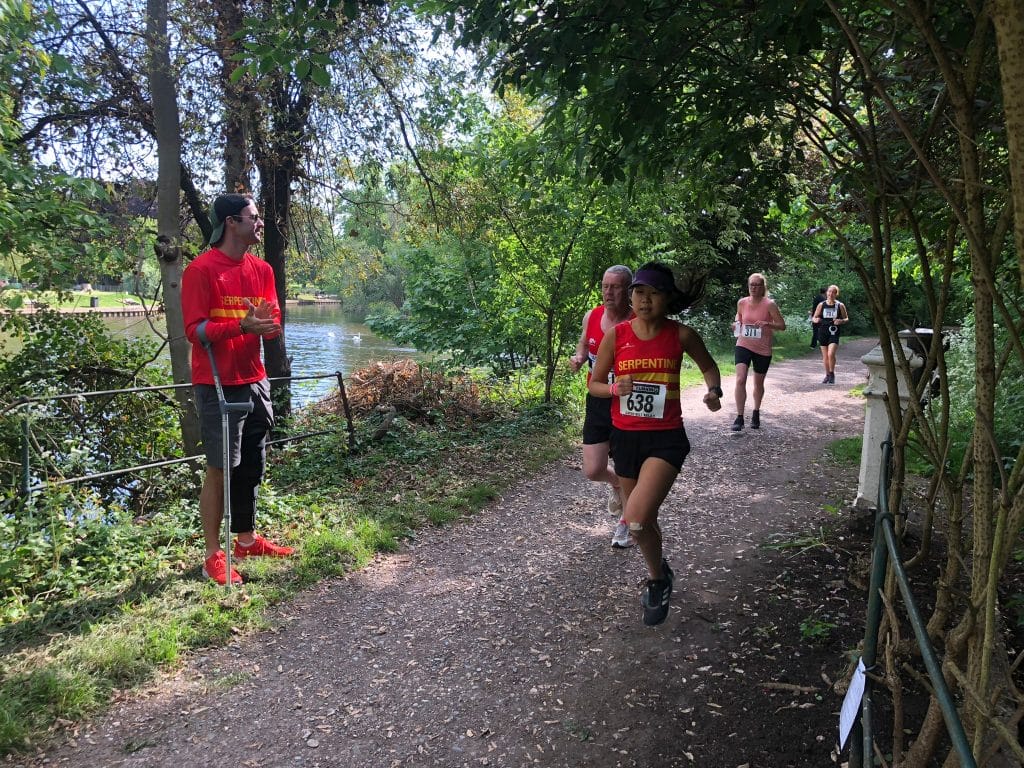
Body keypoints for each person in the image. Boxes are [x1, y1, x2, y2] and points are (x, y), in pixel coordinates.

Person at [589, 262, 722, 626]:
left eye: (654, 294)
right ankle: (661, 573)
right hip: (625, 438)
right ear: (631, 297)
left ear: (667, 299)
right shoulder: (617, 335)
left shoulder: (682, 335)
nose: (645, 300)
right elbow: (594, 384)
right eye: (639, 293)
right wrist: (614, 388)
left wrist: (714, 391)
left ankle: (656, 581)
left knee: (635, 520)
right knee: (644, 522)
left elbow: (709, 367)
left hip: (666, 439)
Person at [182, 193, 294, 585]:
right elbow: (194, 330)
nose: (260, 223)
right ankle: (213, 555)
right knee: (219, 468)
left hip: (255, 380)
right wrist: (241, 326)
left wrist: (266, 325)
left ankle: (245, 540)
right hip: (217, 384)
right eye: (253, 217)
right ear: (231, 222)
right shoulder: (201, 270)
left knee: (251, 464)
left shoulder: (262, 270)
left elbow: (272, 323)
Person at [569, 265, 635, 548]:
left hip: (628, 402)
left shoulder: (637, 320)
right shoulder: (592, 315)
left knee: (628, 467)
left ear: (628, 290)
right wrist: (579, 358)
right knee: (593, 469)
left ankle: (626, 525)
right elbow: (584, 344)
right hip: (598, 398)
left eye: (616, 287)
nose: (609, 292)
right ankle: (616, 484)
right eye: (605, 286)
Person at [731, 272, 786, 431]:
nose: (754, 288)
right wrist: (736, 324)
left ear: (763, 287)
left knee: (758, 383)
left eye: (757, 285)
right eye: (751, 285)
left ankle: (756, 412)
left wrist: (768, 324)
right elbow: (739, 317)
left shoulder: (769, 304)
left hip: (762, 348)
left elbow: (782, 326)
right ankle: (739, 417)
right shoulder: (742, 302)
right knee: (740, 379)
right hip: (743, 344)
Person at [812, 284, 849, 383]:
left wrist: (841, 321)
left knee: (831, 353)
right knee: (825, 356)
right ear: (826, 293)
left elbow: (846, 318)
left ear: (836, 294)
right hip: (823, 331)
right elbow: (814, 317)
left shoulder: (840, 305)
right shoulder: (821, 305)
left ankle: (832, 374)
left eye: (833, 292)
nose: (831, 294)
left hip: (834, 331)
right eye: (829, 291)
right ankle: (827, 375)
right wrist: (816, 320)